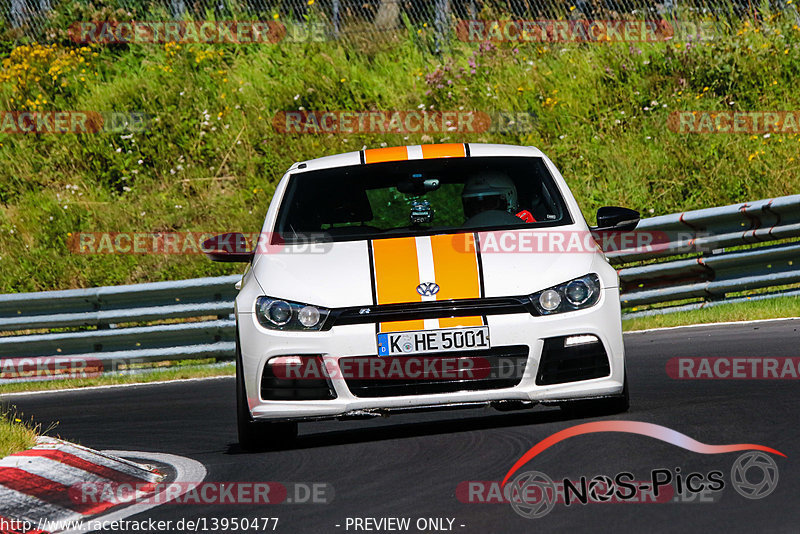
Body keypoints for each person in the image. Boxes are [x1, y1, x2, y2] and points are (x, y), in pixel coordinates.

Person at [461, 172, 536, 222]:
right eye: (474, 205)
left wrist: (530, 228)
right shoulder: (460, 235)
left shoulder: (523, 227)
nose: (481, 210)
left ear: (509, 200)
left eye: (489, 203)